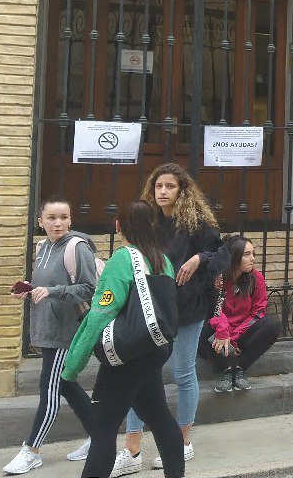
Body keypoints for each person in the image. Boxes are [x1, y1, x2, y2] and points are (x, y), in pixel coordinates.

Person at [113, 163, 224, 476]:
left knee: (182, 371)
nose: (162, 192)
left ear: (182, 190)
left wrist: (199, 257)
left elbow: (223, 255)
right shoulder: (147, 220)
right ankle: (131, 448)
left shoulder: (198, 225)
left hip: (188, 309)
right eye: (158, 186)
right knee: (142, 372)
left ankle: (183, 441)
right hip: (152, 307)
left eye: (170, 186)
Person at [61, 200, 185, 478]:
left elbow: (100, 314)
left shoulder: (122, 258)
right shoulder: (162, 259)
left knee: (103, 430)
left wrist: (73, 367)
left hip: (126, 356)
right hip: (153, 349)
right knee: (160, 417)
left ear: (118, 226)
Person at [3, 197, 97, 475]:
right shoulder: (43, 247)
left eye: (64, 217)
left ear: (71, 220)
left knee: (50, 389)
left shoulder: (77, 247)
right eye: (52, 217)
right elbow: (46, 285)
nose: (58, 223)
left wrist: (53, 291)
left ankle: (31, 451)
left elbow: (89, 289)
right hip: (46, 328)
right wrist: (31, 289)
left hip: (65, 332)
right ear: (40, 221)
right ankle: (99, 436)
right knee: (66, 385)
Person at [203, 237, 279, 392]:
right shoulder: (218, 278)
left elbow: (258, 311)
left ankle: (239, 368)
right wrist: (223, 332)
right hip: (218, 334)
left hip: (241, 334)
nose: (252, 258)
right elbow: (213, 310)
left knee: (272, 323)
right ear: (234, 257)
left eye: (253, 254)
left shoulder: (256, 278)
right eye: (247, 254)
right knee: (201, 329)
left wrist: (234, 338)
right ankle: (224, 370)